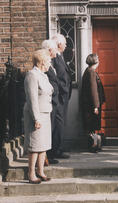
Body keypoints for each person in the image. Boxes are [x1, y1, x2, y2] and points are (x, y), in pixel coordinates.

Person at [23, 49, 53, 184]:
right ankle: (31, 174)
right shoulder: (32, 75)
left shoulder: (44, 75)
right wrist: (36, 118)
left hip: (45, 113)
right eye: (49, 61)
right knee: (34, 145)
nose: (50, 64)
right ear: (42, 61)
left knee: (43, 145)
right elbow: (32, 99)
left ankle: (40, 171)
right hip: (37, 115)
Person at [51, 33, 72, 159]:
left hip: (63, 96)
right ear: (59, 44)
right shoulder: (54, 58)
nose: (66, 45)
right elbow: (56, 77)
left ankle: (58, 147)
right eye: (64, 43)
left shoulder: (60, 56)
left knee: (61, 122)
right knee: (58, 123)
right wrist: (63, 90)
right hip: (59, 97)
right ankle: (55, 150)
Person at [80, 54, 105, 153]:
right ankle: (93, 146)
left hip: (89, 104)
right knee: (92, 126)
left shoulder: (89, 71)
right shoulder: (91, 72)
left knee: (91, 127)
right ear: (95, 62)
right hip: (91, 105)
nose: (99, 61)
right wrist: (95, 106)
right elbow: (93, 90)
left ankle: (94, 145)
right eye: (98, 59)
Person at [42, 40, 60, 164]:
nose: (56, 51)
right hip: (49, 101)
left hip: (54, 101)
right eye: (54, 49)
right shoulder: (44, 63)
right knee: (48, 130)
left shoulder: (51, 62)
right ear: (49, 50)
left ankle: (50, 154)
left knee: (52, 128)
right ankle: (47, 156)